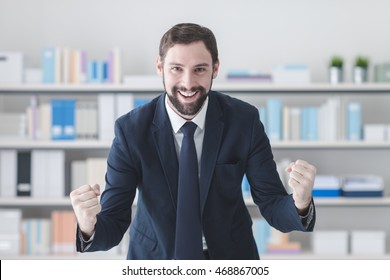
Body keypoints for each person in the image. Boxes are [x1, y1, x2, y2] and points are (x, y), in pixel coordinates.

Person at [70, 22, 316, 260]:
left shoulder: (244, 121)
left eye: (199, 69)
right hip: (157, 261)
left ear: (215, 69)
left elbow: (272, 205)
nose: (188, 84)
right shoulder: (130, 131)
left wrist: (301, 202)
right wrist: (88, 224)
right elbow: (113, 221)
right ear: (160, 67)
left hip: (230, 259)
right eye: (176, 68)